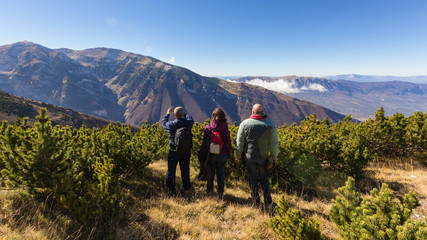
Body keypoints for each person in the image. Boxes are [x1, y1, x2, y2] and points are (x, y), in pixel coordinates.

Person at [236, 103, 279, 209]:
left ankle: (256, 201)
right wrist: (274, 157)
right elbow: (274, 143)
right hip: (263, 157)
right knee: (265, 178)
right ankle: (268, 202)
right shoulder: (270, 125)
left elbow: (240, 141)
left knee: (252, 178)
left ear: (252, 112)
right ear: (262, 112)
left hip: (249, 156)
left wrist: (238, 154)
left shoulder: (245, 124)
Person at [161, 106, 194, 194]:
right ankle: (186, 189)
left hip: (173, 151)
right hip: (185, 151)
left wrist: (168, 113)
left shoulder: (171, 125)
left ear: (174, 115)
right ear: (182, 114)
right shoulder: (188, 123)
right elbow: (191, 119)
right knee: (185, 171)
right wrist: (185, 113)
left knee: (171, 170)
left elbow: (163, 123)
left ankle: (170, 189)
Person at [202, 108, 231, 198]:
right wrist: (228, 155)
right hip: (222, 154)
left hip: (211, 155)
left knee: (210, 173)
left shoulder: (208, 128)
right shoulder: (225, 128)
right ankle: (220, 193)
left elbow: (204, 143)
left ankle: (209, 191)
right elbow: (228, 143)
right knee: (220, 174)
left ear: (213, 116)